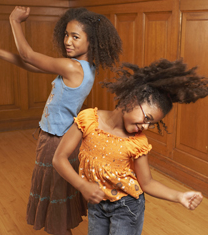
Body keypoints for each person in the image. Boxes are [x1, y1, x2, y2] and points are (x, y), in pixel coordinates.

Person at [0, 6, 122, 235]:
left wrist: (14, 20)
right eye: (66, 34)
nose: (67, 41)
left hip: (55, 141)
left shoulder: (71, 67)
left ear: (91, 41)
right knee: (58, 199)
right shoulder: (85, 67)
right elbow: (32, 64)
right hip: (64, 138)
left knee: (55, 205)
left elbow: (28, 55)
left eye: (75, 36)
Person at [52, 59, 206, 235]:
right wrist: (82, 185)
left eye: (152, 123)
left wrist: (179, 196)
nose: (146, 127)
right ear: (132, 99)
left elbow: (146, 182)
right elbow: (59, 158)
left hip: (127, 207)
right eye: (147, 118)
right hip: (97, 203)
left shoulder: (137, 142)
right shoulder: (88, 120)